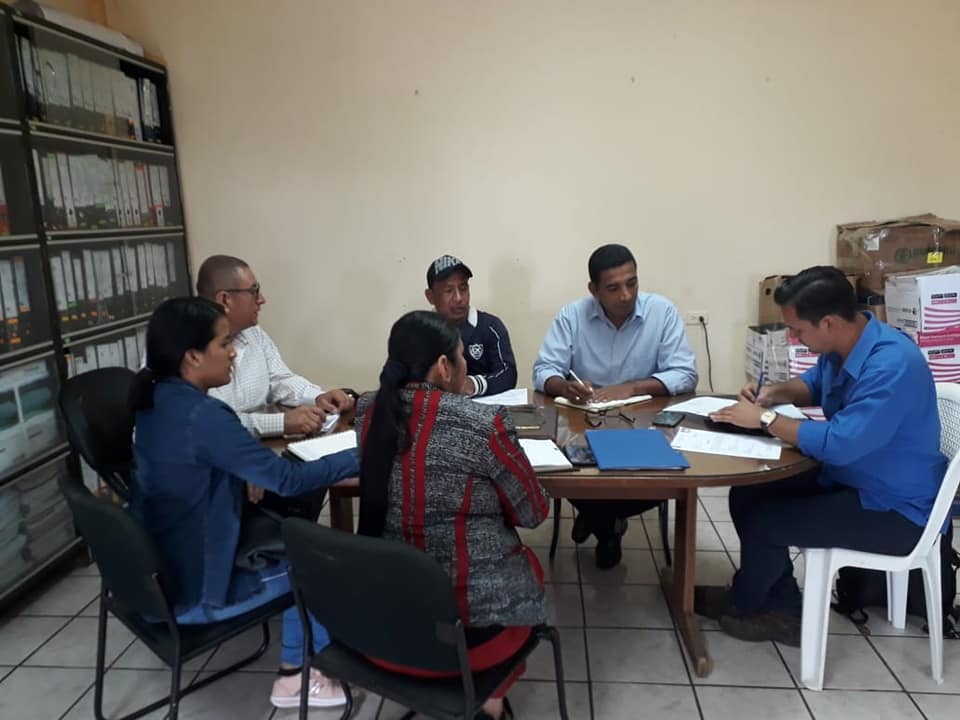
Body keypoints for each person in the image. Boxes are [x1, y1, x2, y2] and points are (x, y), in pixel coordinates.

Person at [130, 297, 360, 709]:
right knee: (320, 562)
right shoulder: (204, 416)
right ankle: (295, 677)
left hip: (156, 576)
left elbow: (191, 465)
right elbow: (287, 480)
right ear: (193, 356)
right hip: (193, 591)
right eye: (223, 344)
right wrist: (361, 453)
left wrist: (238, 472)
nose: (233, 352)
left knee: (293, 533)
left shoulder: (156, 400)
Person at [702, 266, 947, 646]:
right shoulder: (845, 347)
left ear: (829, 322)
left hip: (896, 508)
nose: (794, 338)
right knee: (748, 493)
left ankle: (749, 605)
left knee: (767, 522)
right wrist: (774, 394)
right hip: (851, 477)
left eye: (798, 330)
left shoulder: (892, 365)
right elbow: (814, 384)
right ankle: (778, 605)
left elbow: (839, 442)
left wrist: (765, 419)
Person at [356, 310, 549, 720]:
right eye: (462, 357)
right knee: (529, 566)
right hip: (468, 640)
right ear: (444, 367)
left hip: (383, 630)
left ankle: (477, 698)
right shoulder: (483, 423)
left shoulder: (368, 411)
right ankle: (489, 698)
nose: (465, 366)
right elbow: (533, 512)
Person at [532, 243, 698, 569]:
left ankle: (598, 518)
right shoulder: (572, 315)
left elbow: (686, 373)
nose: (626, 295)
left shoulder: (661, 311)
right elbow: (543, 370)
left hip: (642, 427)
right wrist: (564, 386)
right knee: (570, 471)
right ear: (593, 290)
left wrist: (634, 386)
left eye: (632, 283)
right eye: (613, 288)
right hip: (584, 424)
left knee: (650, 478)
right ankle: (605, 522)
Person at [196, 254, 355, 438]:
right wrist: (281, 422)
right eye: (254, 291)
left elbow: (279, 379)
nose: (262, 299)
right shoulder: (195, 349)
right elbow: (214, 422)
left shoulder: (254, 334)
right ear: (225, 299)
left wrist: (318, 397)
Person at [424, 254, 518, 397]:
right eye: (448, 291)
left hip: (483, 407)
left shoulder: (491, 327)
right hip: (435, 407)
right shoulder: (419, 331)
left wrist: (473, 384)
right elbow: (400, 378)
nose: (458, 298)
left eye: (463, 288)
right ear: (430, 296)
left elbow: (508, 374)